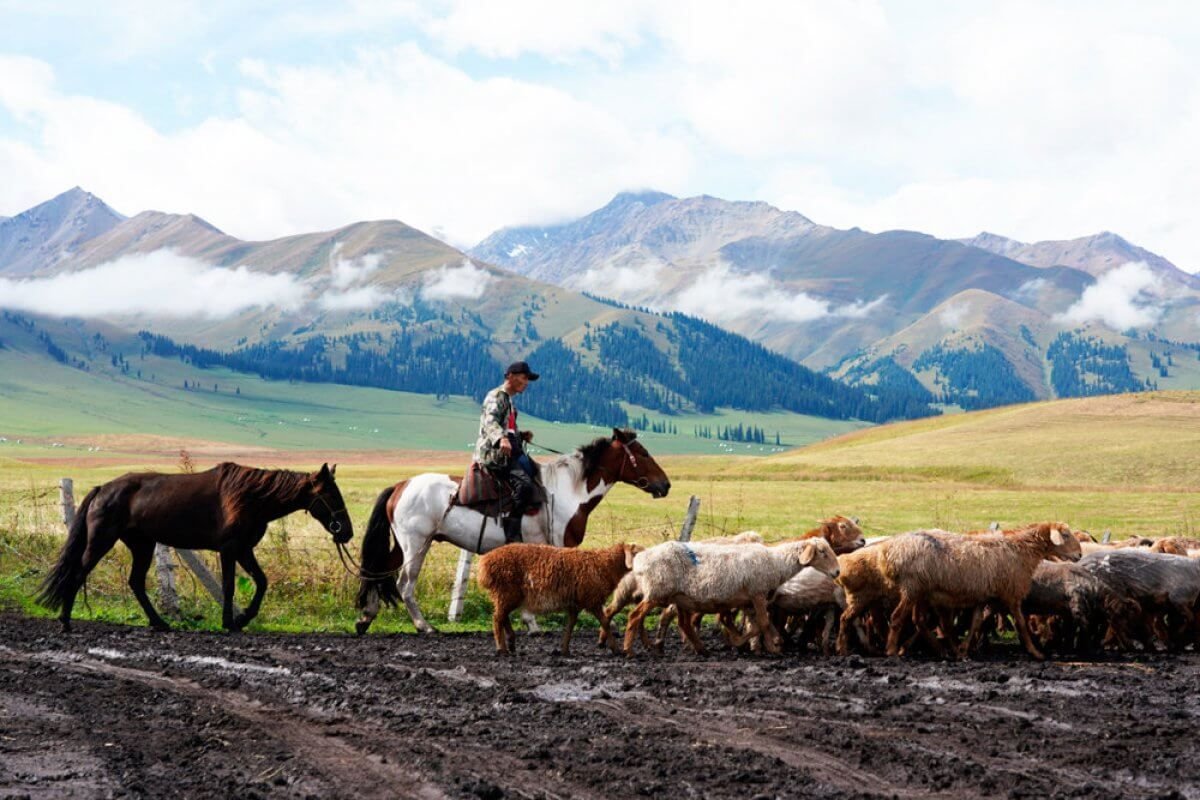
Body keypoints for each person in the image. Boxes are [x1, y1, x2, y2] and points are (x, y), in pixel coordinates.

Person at [474, 361, 538, 543]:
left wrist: (520, 435)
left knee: (534, 470)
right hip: (493, 454)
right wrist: (501, 438)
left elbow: (508, 428)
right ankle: (512, 532)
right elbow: (490, 422)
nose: (526, 382)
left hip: (507, 451)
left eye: (528, 379)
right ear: (510, 376)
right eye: (524, 378)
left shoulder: (509, 401)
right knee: (524, 485)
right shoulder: (496, 396)